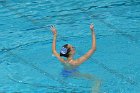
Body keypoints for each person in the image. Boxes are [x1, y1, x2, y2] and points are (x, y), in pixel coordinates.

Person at [50, 23, 100, 93]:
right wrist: (92, 31)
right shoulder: (76, 62)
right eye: (72, 47)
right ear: (70, 52)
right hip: (74, 73)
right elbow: (93, 49)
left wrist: (55, 35)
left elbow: (54, 51)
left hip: (63, 73)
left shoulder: (63, 60)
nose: (74, 47)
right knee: (96, 80)